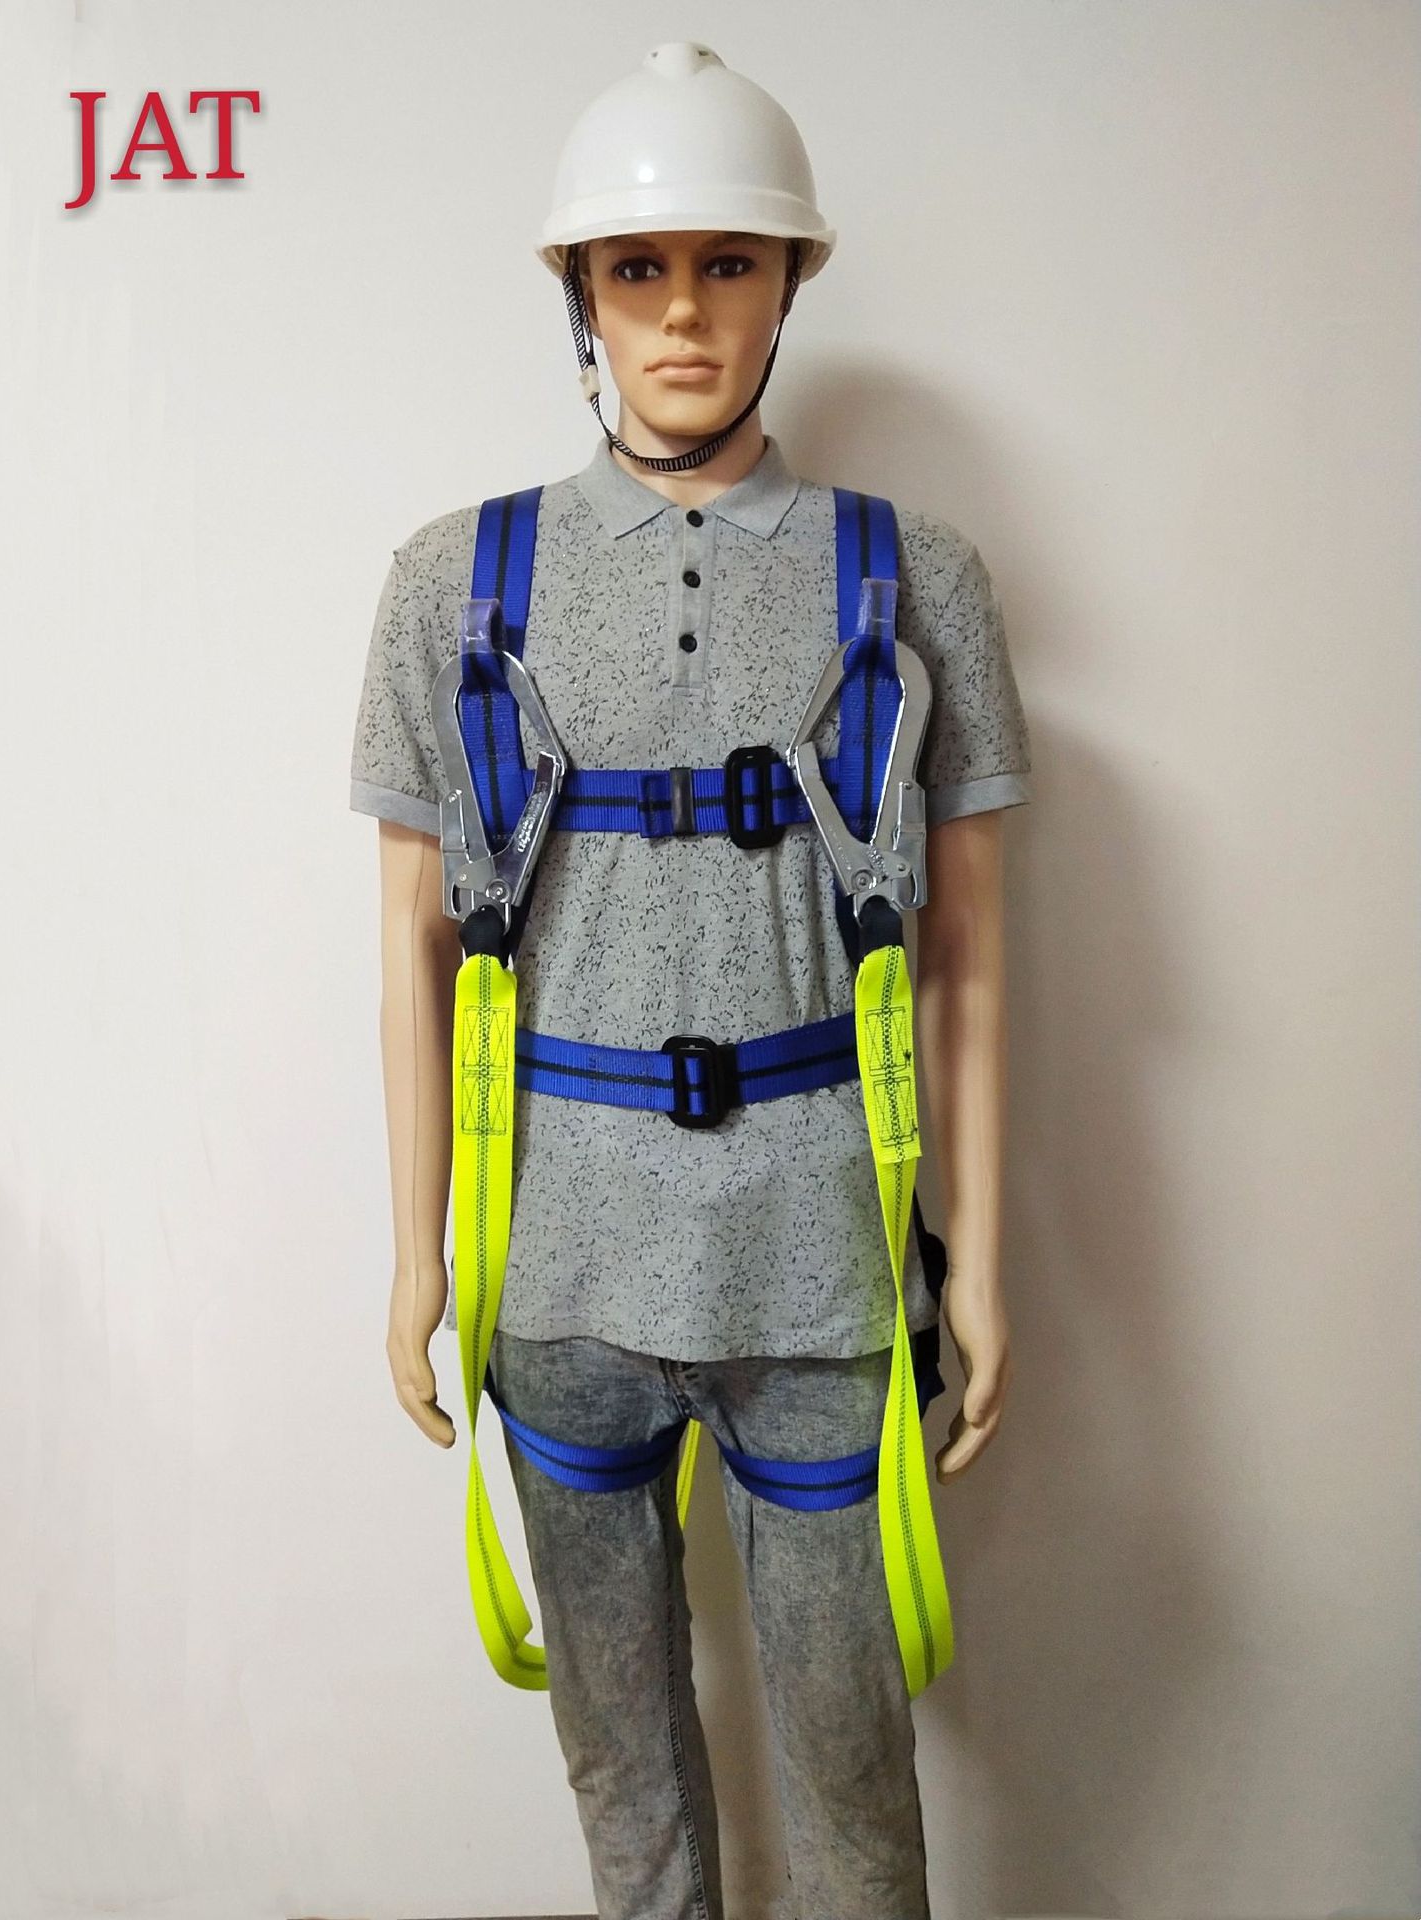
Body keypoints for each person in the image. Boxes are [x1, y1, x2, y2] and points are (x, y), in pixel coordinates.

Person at [350, 40, 1031, 1920]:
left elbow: (971, 959)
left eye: (730, 262)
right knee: (625, 1781)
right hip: (559, 1275)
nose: (682, 313)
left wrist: (979, 1258)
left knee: (852, 1780)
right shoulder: (454, 585)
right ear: (578, 290)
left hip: (823, 1270)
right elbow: (410, 946)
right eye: (637, 266)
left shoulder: (915, 579)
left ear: (790, 283)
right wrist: (417, 1254)